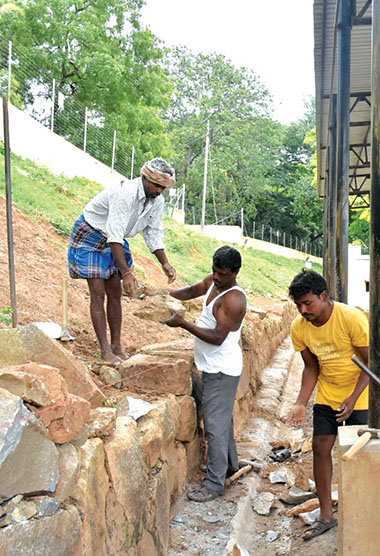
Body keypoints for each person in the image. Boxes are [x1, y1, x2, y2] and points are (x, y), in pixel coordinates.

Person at [67, 158, 177, 364]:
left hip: (113, 240)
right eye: (156, 186)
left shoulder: (156, 201)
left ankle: (117, 345)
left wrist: (165, 263)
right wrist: (126, 273)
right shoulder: (124, 193)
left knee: (115, 292)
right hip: (91, 234)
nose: (159, 191)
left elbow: (153, 231)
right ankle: (105, 350)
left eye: (163, 188)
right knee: (98, 292)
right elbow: (115, 234)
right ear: (145, 178)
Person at [286, 270, 370, 539]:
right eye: (298, 305)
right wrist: (301, 402)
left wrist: (353, 399)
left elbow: (371, 363)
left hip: (360, 394)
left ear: (324, 296)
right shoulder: (299, 327)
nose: (303, 310)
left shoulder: (351, 319)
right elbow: (311, 368)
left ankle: (362, 514)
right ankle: (326, 515)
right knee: (321, 447)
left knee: (360, 454)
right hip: (328, 394)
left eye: (307, 303)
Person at [163, 246, 248, 502]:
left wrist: (183, 324)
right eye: (214, 271)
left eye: (222, 274)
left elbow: (218, 337)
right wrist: (166, 296)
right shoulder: (213, 282)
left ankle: (214, 484)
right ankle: (230, 466)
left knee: (214, 426)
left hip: (222, 368)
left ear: (235, 272)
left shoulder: (234, 300)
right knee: (222, 421)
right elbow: (192, 291)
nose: (217, 277)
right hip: (212, 365)